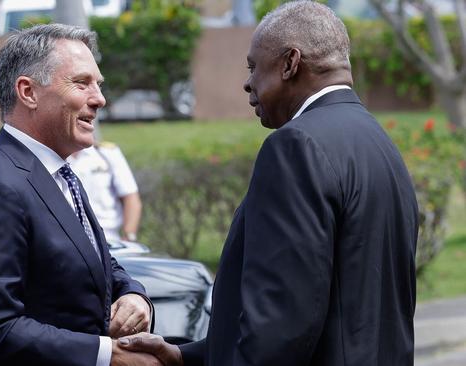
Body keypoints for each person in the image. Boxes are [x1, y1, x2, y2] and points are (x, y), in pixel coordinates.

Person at [119, 1, 419, 365]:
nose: (247, 83)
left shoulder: (296, 146)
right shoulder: (377, 140)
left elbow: (283, 321)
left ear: (290, 64)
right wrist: (188, 356)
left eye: (253, 67)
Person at [0, 24, 160, 366]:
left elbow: (94, 260)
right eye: (81, 83)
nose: (99, 99)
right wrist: (108, 356)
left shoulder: (57, 173)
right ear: (28, 92)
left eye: (98, 85)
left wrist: (133, 294)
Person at [67, 140, 142, 242]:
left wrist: (128, 237)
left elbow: (131, 198)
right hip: (70, 241)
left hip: (109, 240)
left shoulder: (106, 153)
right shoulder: (52, 156)